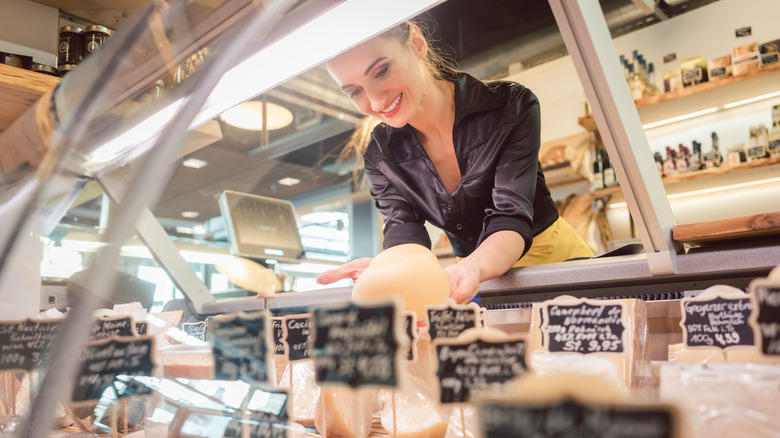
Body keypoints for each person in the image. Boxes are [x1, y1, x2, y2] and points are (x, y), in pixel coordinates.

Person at [316, 20, 593, 303]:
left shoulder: (509, 106)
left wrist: (474, 265)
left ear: (417, 44)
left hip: (560, 273)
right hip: (471, 284)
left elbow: (510, 216)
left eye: (381, 71)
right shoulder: (380, 153)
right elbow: (403, 230)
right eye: (354, 91)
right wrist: (389, 269)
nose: (374, 102)